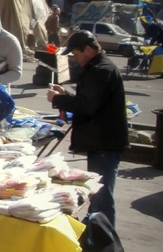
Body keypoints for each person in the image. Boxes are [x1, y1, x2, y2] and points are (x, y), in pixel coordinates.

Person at [47, 30, 128, 228]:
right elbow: (89, 99)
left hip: (104, 143)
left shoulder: (102, 70)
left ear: (89, 50)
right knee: (98, 195)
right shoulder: (98, 68)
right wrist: (66, 94)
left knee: (101, 197)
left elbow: (87, 105)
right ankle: (97, 234)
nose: (75, 59)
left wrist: (58, 99)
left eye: (76, 54)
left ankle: (106, 245)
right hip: (100, 142)